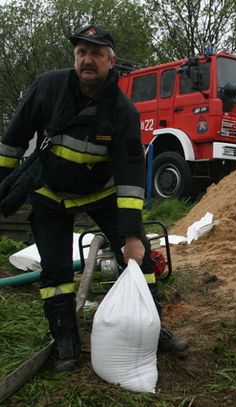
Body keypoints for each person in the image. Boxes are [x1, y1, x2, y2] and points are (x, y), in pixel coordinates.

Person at [0, 24, 188, 372]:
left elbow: (131, 178)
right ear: (74, 57)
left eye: (96, 54)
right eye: (81, 52)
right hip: (50, 195)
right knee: (55, 272)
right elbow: (11, 143)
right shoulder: (46, 87)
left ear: (110, 61)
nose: (88, 60)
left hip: (101, 194)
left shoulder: (122, 111)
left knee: (140, 263)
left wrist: (132, 237)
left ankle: (154, 328)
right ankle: (66, 344)